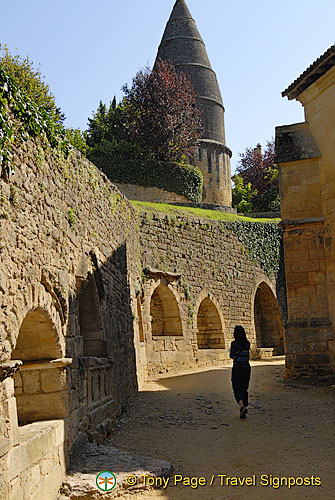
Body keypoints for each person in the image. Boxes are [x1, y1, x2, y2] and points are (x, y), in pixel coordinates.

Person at [230, 325, 251, 419]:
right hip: (246, 367)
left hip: (237, 367)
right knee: (244, 388)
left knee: (236, 388)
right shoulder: (247, 344)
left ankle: (241, 405)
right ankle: (245, 406)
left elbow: (232, 356)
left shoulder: (234, 344)